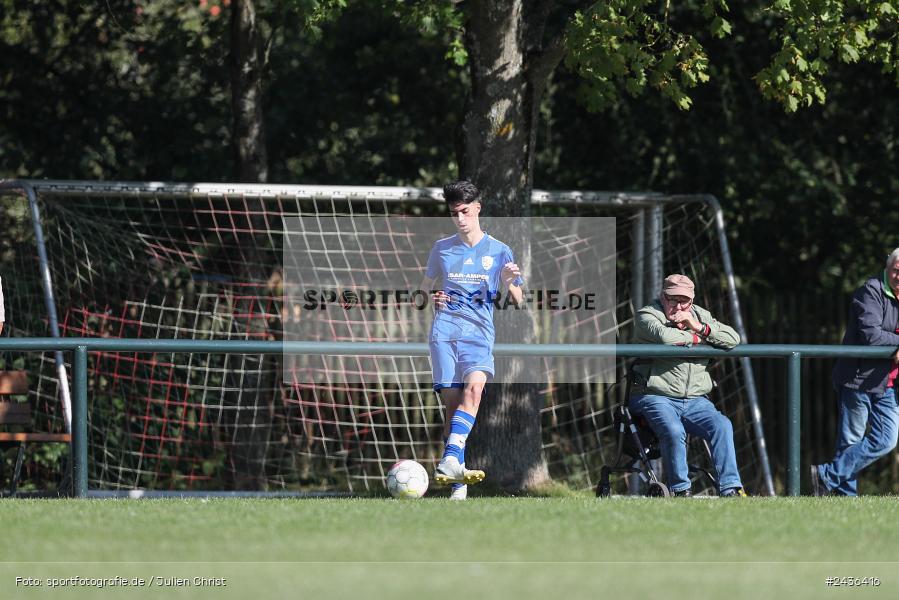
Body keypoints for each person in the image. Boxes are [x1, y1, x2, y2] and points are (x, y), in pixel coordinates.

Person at [420, 180, 524, 500]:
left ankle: (451, 461)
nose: (460, 219)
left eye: (465, 211)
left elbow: (520, 300)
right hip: (444, 333)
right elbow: (420, 293)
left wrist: (510, 282)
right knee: (453, 411)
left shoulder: (499, 250)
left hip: (479, 334)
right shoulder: (442, 248)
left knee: (475, 388)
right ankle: (458, 484)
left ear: (477, 208)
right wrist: (432, 297)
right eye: (454, 213)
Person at [630, 273, 747, 497]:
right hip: (654, 395)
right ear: (663, 297)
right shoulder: (646, 315)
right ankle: (680, 490)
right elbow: (665, 337)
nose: (678, 306)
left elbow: (733, 338)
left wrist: (699, 327)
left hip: (696, 400)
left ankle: (730, 488)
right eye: (673, 299)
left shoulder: (700, 315)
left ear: (691, 301)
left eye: (684, 301)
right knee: (674, 430)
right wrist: (698, 339)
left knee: (722, 425)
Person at [811, 249, 899, 496]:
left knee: (887, 440)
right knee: (850, 440)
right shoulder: (870, 291)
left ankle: (826, 476)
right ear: (887, 267)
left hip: (890, 384)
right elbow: (871, 336)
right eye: (896, 270)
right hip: (858, 378)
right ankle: (845, 497)